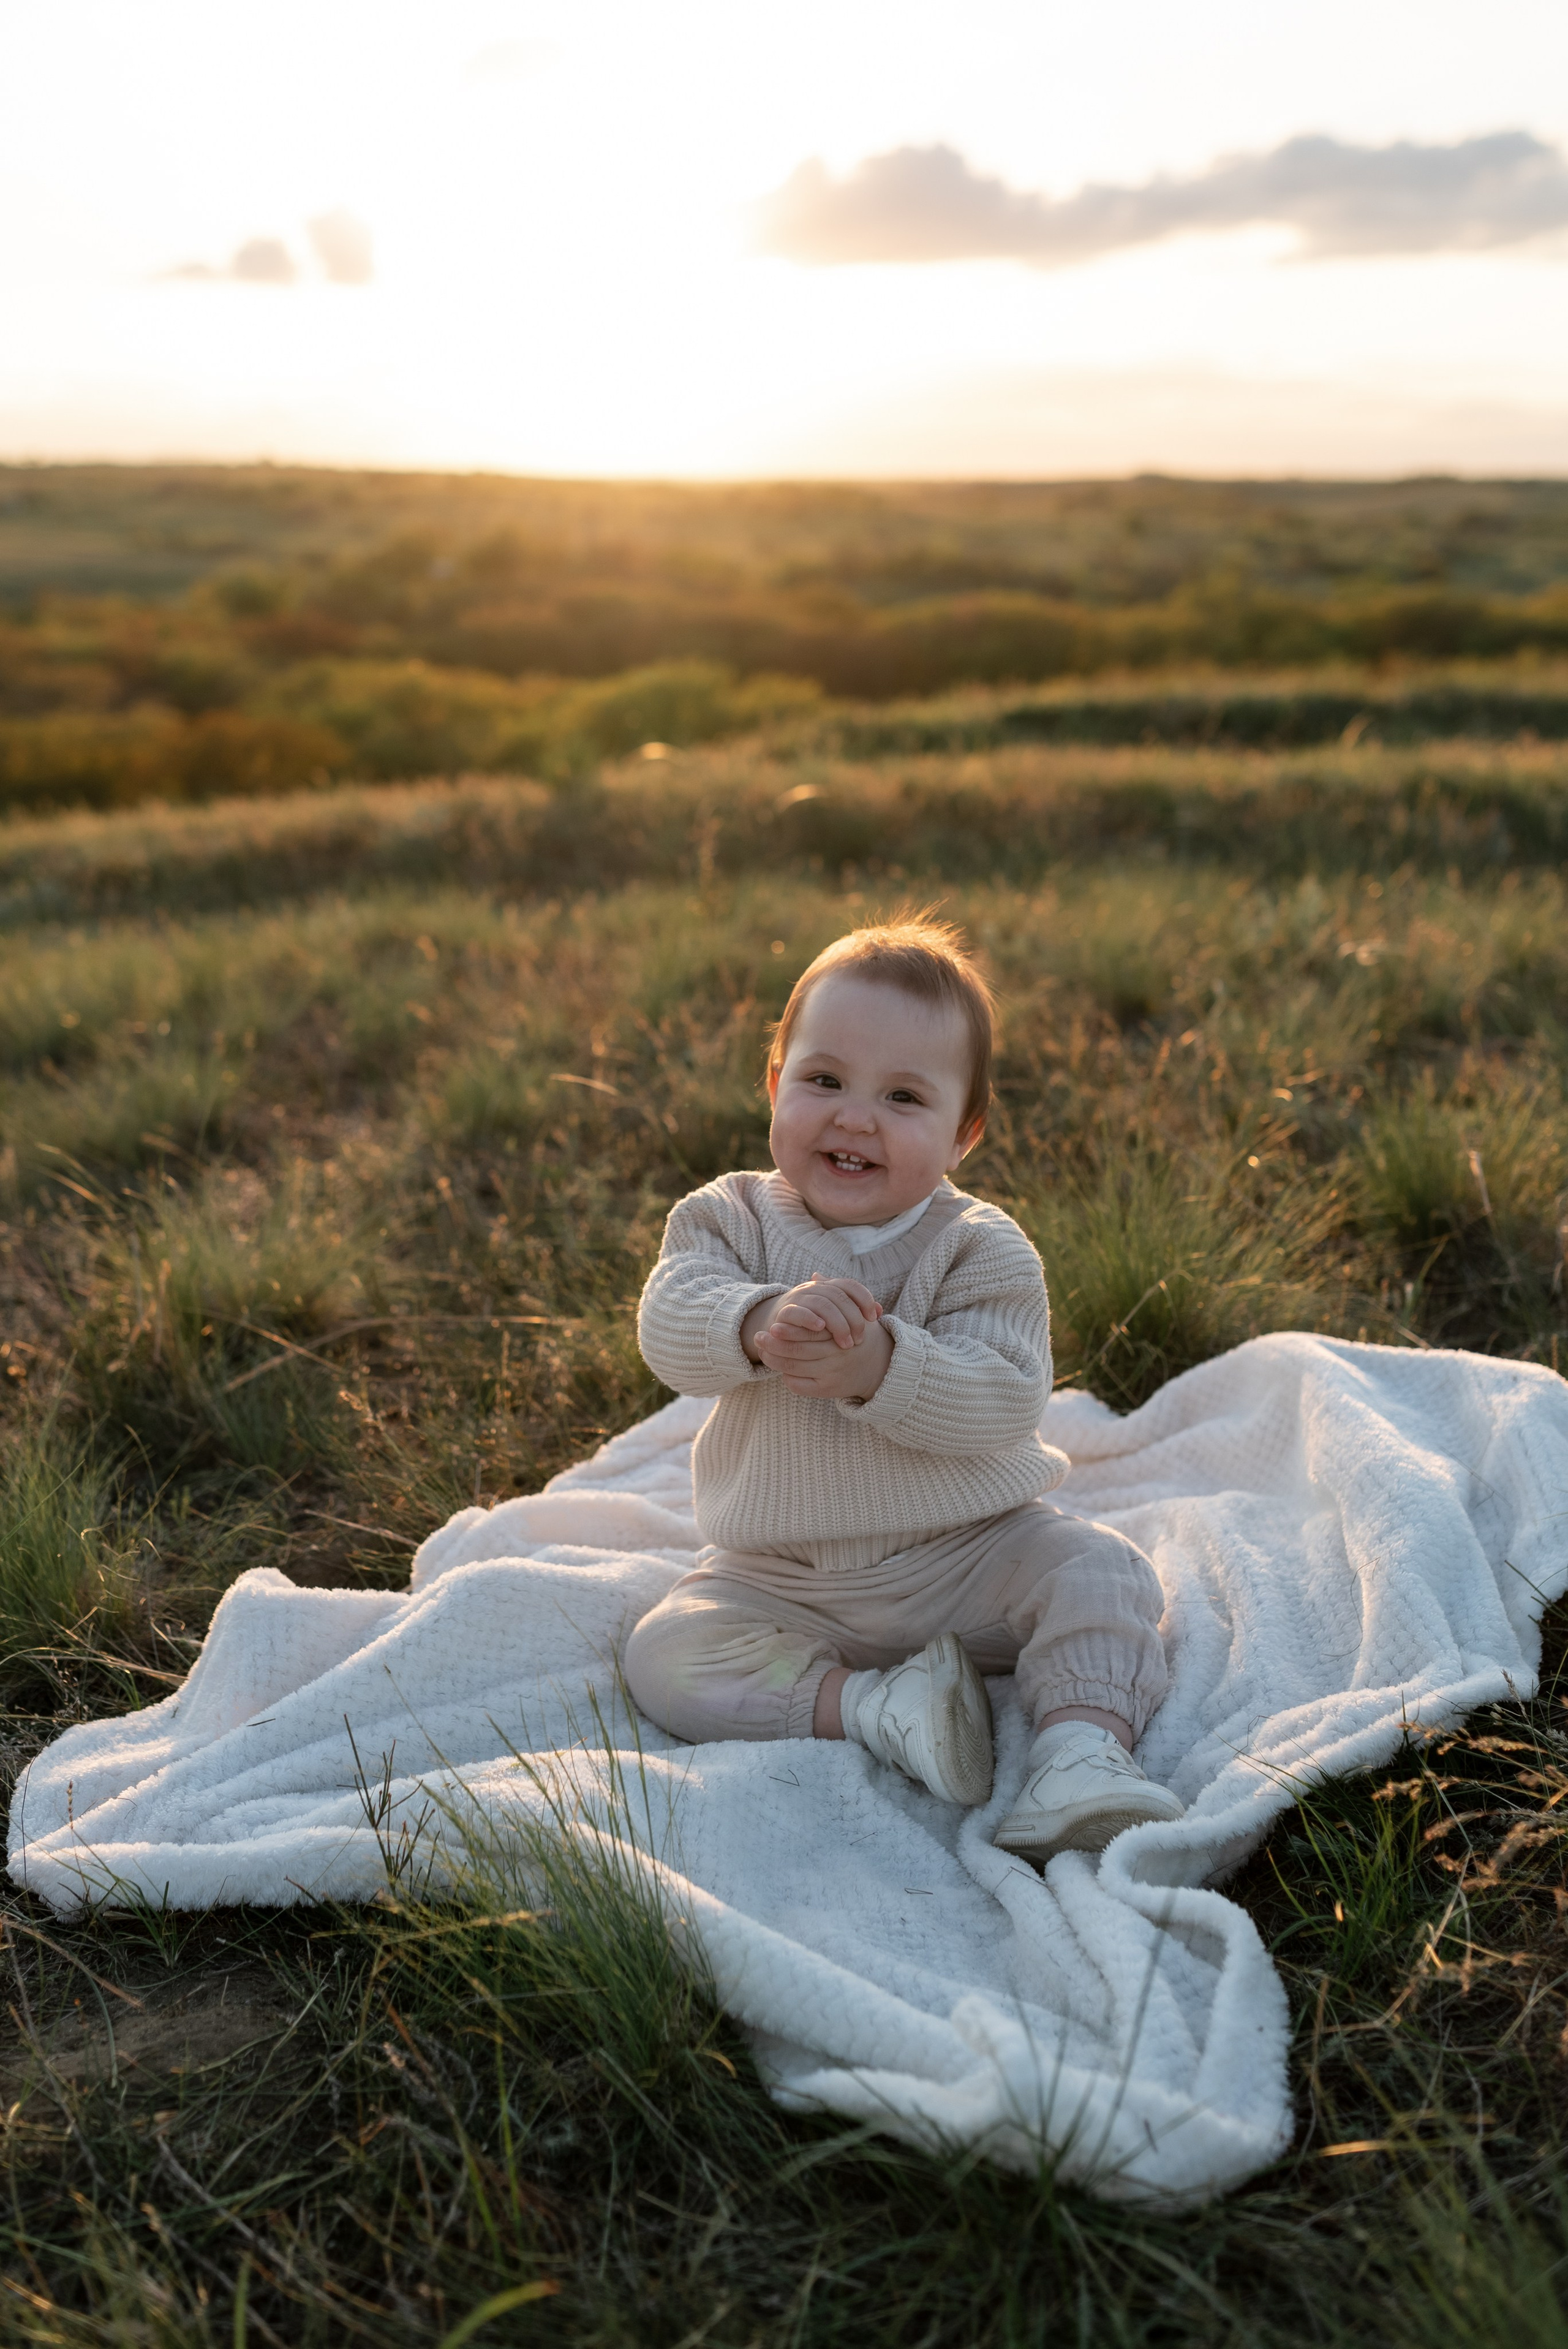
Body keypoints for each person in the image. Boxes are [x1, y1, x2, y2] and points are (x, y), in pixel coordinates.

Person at [625, 915, 1184, 1863]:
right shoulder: (728, 1217)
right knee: (665, 1653)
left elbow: (1007, 1396)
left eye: (903, 1096)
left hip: (963, 1557)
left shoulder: (979, 1246)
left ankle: (1080, 1754)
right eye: (825, 1080)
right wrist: (756, 1325)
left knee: (1103, 1574)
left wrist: (883, 1367)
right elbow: (670, 1323)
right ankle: (880, 1707)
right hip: (783, 1576)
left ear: (964, 1132)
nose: (854, 1116)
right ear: (774, 1083)